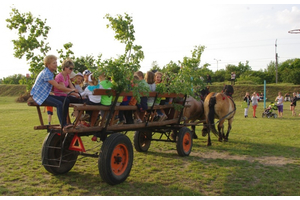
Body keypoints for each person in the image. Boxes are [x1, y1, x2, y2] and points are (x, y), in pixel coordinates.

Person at [30, 55, 78, 128]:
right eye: (54, 63)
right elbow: (58, 86)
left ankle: (65, 122)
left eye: (56, 63)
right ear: (48, 65)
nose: (56, 65)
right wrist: (72, 90)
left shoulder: (50, 73)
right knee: (59, 104)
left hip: (45, 95)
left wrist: (73, 91)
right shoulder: (46, 73)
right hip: (40, 96)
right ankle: (63, 124)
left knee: (66, 100)